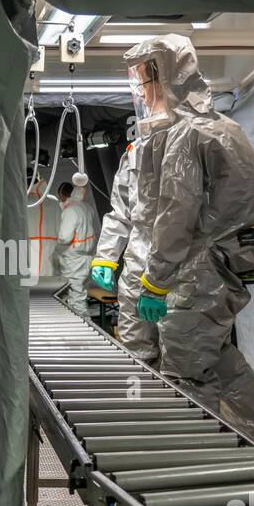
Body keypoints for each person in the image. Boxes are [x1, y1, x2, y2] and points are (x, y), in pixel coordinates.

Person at [125, 34, 254, 459]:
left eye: (144, 81)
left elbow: (176, 214)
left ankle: (196, 464)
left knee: (185, 362)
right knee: (215, 352)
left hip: (206, 265)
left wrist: (156, 282)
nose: (141, 93)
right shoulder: (217, 127)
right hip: (228, 259)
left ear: (164, 78)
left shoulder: (187, 135)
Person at [89, 140, 159, 362]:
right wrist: (105, 258)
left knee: (185, 359)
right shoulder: (135, 151)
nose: (146, 102)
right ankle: (142, 396)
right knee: (136, 352)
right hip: (137, 269)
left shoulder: (200, 139)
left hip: (185, 269)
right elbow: (120, 212)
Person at [52, 181, 99, 315]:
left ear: (61, 195)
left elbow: (65, 237)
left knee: (75, 299)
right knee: (80, 294)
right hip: (87, 258)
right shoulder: (87, 208)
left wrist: (55, 235)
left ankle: (84, 330)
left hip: (74, 261)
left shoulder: (71, 210)